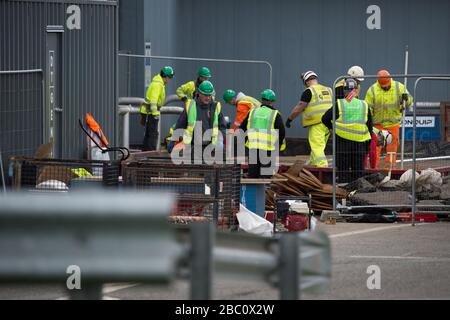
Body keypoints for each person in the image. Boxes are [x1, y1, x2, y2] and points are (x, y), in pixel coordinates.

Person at [322, 79, 373, 183]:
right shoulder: (364, 105)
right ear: (356, 90)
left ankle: (343, 197)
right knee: (358, 175)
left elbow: (324, 119)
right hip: (359, 145)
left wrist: (333, 128)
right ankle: (359, 196)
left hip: (342, 144)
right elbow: (369, 127)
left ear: (344, 91)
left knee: (343, 173)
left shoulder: (339, 104)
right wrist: (367, 146)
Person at [365, 70, 413, 169]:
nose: (385, 87)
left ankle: (390, 170)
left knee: (392, 149)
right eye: (383, 86)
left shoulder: (399, 87)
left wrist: (406, 99)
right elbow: (368, 108)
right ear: (378, 82)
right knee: (375, 148)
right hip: (377, 125)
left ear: (390, 79)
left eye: (387, 85)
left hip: (393, 124)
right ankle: (373, 170)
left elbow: (409, 102)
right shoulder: (372, 90)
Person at [285, 71, 333, 167]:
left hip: (317, 123)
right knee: (318, 146)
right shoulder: (328, 90)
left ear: (306, 82)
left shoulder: (309, 91)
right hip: (329, 124)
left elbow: (300, 107)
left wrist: (290, 119)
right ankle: (312, 165)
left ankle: (323, 168)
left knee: (317, 147)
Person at [172, 81, 226, 163]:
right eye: (205, 95)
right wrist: (176, 141)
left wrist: (219, 141)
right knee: (195, 172)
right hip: (193, 147)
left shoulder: (215, 107)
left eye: (209, 95)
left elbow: (222, 127)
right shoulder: (190, 106)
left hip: (211, 148)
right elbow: (180, 126)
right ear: (199, 93)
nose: (208, 98)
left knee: (211, 173)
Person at [240, 89, 286, 178]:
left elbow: (242, 129)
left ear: (262, 100)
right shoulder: (275, 114)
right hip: (268, 150)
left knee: (253, 176)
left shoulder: (252, 112)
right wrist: (278, 146)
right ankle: (264, 192)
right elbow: (282, 132)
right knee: (265, 178)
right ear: (272, 102)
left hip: (252, 149)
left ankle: (253, 192)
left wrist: (246, 143)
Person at [140, 66, 174, 151]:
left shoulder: (158, 83)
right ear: (166, 77)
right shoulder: (158, 85)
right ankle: (150, 152)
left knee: (149, 133)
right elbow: (153, 100)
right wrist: (155, 114)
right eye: (170, 78)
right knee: (153, 134)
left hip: (148, 112)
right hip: (151, 113)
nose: (170, 80)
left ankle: (145, 152)